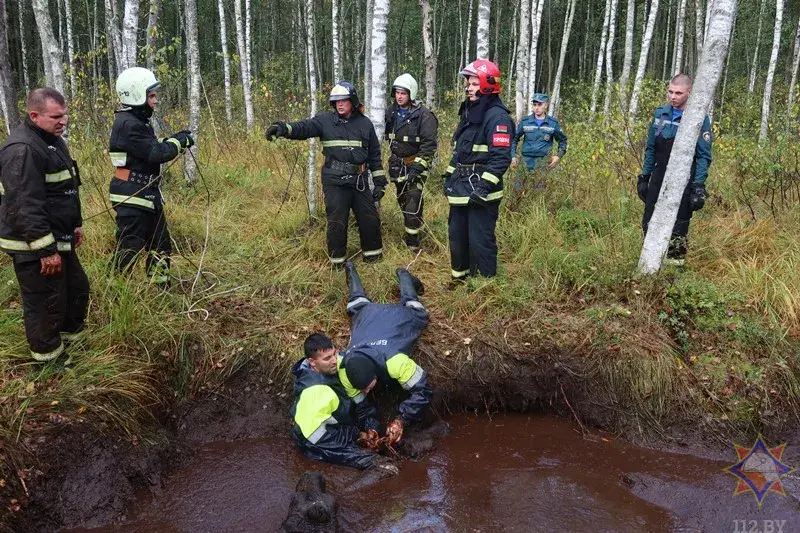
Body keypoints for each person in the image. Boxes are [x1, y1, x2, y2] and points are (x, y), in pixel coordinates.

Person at [0, 88, 89, 362]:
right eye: (56, 117)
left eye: (65, 115)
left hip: (56, 237)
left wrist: (74, 225)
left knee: (76, 289)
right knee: (45, 304)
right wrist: (45, 250)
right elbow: (24, 206)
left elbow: (64, 189)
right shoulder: (23, 149)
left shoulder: (52, 140)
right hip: (33, 246)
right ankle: (48, 363)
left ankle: (71, 347)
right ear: (34, 115)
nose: (63, 122)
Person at [266, 81, 387, 265]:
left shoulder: (365, 124)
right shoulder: (324, 121)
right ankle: (338, 263)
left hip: (359, 181)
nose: (339, 104)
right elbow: (304, 128)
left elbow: (374, 156)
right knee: (337, 222)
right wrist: (283, 128)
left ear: (352, 101)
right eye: (336, 101)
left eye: (344, 100)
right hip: (334, 181)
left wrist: (379, 182)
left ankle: (374, 260)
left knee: (369, 219)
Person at [108, 67, 194, 285]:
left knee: (161, 244)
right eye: (151, 95)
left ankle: (161, 288)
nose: (155, 100)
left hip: (145, 193)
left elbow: (148, 150)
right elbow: (156, 153)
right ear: (137, 94)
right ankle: (112, 289)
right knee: (130, 247)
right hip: (133, 194)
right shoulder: (128, 124)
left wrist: (173, 140)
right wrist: (178, 142)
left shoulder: (134, 122)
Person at [339, 261, 431, 446]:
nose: (365, 392)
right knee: (357, 304)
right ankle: (351, 268)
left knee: (415, 309)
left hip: (397, 316)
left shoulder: (396, 362)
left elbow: (423, 390)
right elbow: (362, 406)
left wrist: (401, 419)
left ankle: (403, 275)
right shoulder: (345, 370)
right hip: (368, 315)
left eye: (367, 386)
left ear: (375, 373)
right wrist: (371, 427)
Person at [443, 60, 515, 282]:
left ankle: (484, 286)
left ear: (487, 85)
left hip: (482, 193)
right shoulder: (469, 112)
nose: (469, 88)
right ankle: (460, 280)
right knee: (457, 238)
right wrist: (448, 175)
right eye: (468, 83)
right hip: (460, 189)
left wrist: (484, 187)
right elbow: (461, 151)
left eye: (474, 83)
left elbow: (501, 158)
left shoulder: (498, 117)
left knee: (480, 240)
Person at [637, 74, 712, 267]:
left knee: (679, 227)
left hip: (684, 178)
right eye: (670, 91)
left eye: (678, 93)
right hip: (659, 175)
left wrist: (698, 187)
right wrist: (644, 177)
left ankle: (674, 272)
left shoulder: (699, 118)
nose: (673, 96)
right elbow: (651, 148)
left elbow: (703, 155)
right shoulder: (660, 113)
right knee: (649, 221)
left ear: (689, 93)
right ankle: (649, 266)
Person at [290, 333, 388, 470]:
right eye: (327, 359)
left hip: (340, 423)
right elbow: (318, 439)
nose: (334, 361)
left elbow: (362, 404)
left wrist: (371, 428)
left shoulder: (342, 365)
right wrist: (357, 440)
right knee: (372, 462)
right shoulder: (314, 392)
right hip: (315, 439)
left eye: (334, 354)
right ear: (312, 362)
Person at [384, 73, 438, 251]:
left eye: (403, 93)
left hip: (416, 164)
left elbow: (429, 145)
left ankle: (413, 243)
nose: (399, 96)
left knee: (413, 201)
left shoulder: (424, 115)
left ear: (411, 94)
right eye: (397, 92)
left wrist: (417, 166)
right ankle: (413, 230)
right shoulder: (390, 112)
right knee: (402, 199)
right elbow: (386, 136)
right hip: (397, 165)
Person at [510, 93, 567, 197]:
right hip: (525, 161)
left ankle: (536, 212)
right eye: (535, 104)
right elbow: (514, 139)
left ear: (546, 105)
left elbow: (562, 141)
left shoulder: (552, 123)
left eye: (540, 105)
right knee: (517, 191)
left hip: (542, 162)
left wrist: (558, 156)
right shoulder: (525, 121)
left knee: (538, 192)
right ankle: (515, 211)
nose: (537, 108)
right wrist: (513, 156)